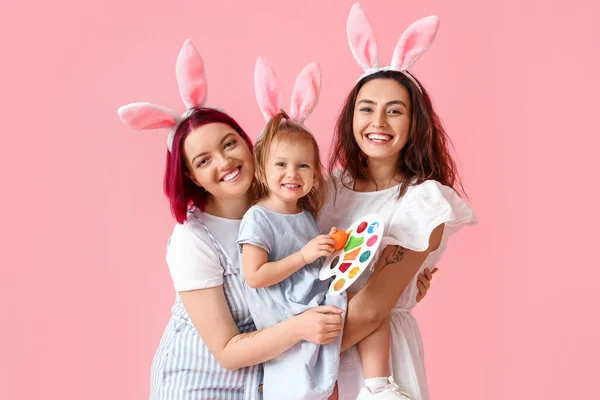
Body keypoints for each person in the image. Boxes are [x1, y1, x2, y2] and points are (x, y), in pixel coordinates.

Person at [118, 39, 344, 400]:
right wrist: (300, 328)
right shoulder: (193, 240)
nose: (224, 162)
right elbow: (227, 351)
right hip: (199, 384)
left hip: (267, 381)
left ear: (247, 141)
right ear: (191, 176)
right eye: (203, 160)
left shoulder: (282, 203)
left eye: (228, 144)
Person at [319, 4, 478, 400]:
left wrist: (289, 363)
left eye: (395, 111)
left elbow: (373, 308)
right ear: (350, 117)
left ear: (413, 123)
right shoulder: (327, 189)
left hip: (377, 363)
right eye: (367, 109)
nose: (379, 123)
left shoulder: (424, 202)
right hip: (319, 345)